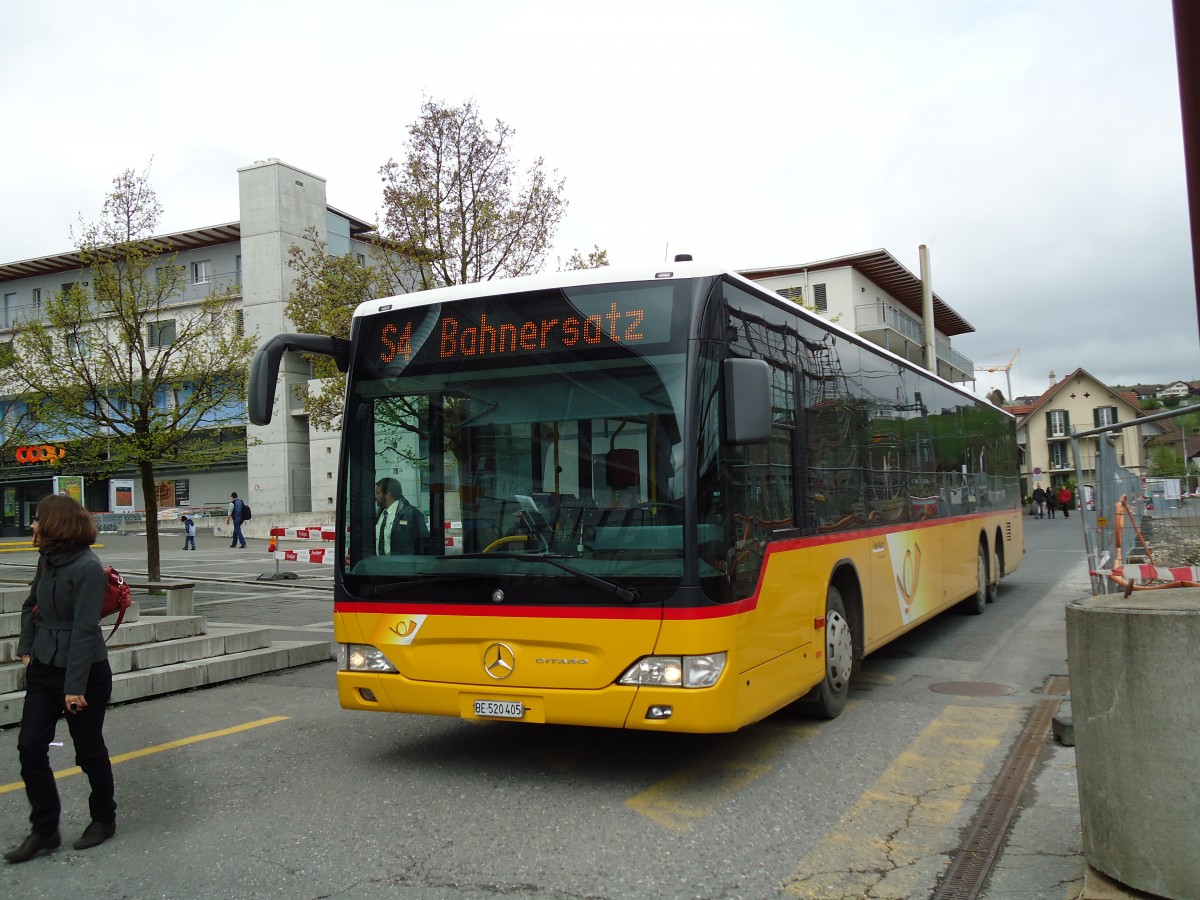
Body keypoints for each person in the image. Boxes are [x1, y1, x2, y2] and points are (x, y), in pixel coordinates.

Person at [6, 494, 116, 863]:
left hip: (83, 672)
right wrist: (26, 647)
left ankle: (104, 819)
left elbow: (85, 630)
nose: (33, 525)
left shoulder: (87, 566)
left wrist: (74, 687)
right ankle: (45, 829)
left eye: (38, 519)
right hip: (44, 666)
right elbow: (29, 606)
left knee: (88, 752)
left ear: (56, 523)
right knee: (29, 747)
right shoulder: (47, 560)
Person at [374, 478, 427, 555]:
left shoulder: (411, 514)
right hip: (377, 564)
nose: (375, 496)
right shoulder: (378, 514)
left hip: (401, 565)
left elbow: (423, 545)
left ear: (388, 495)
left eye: (378, 493)